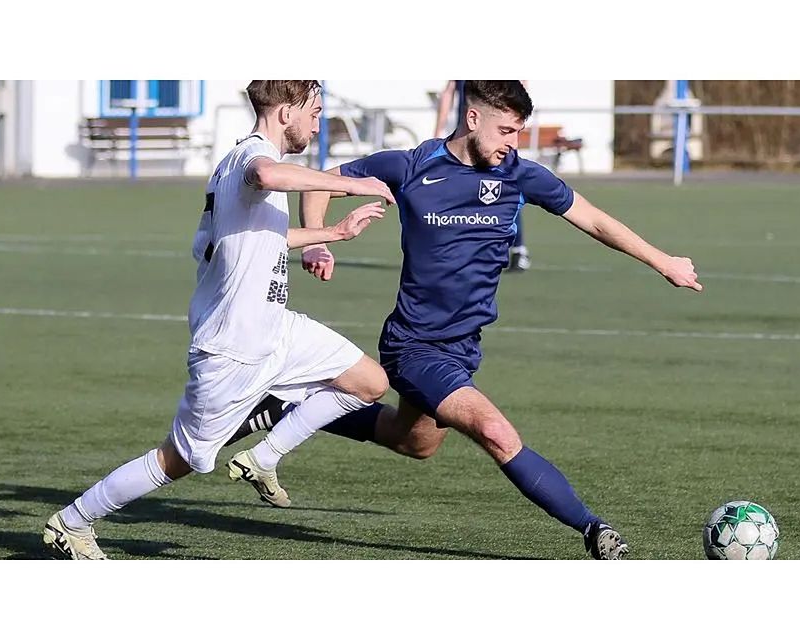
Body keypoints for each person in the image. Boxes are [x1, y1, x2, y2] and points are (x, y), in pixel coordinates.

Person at [232, 81, 703, 560]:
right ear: (473, 119)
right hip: (413, 345)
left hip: (463, 347)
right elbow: (321, 180)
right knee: (497, 433)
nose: (512, 144)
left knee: (413, 442)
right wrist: (318, 241)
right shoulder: (412, 165)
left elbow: (596, 221)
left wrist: (663, 261)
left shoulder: (521, 176)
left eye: (519, 132)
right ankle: (594, 530)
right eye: (505, 131)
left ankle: (286, 407)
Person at [41, 80, 395, 560]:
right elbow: (268, 176)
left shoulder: (244, 166)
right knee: (181, 459)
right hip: (232, 346)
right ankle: (73, 521)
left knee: (369, 381)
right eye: (313, 110)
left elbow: (259, 236)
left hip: (276, 328)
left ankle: (263, 455)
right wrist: (353, 184)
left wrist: (331, 232)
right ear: (285, 112)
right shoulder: (252, 156)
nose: (317, 121)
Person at [435, 80, 531, 271]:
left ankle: (518, 248)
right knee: (459, 190)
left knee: (504, 190)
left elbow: (521, 87)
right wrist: (438, 129)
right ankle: (460, 248)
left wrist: (510, 127)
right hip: (465, 138)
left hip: (492, 139)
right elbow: (448, 93)